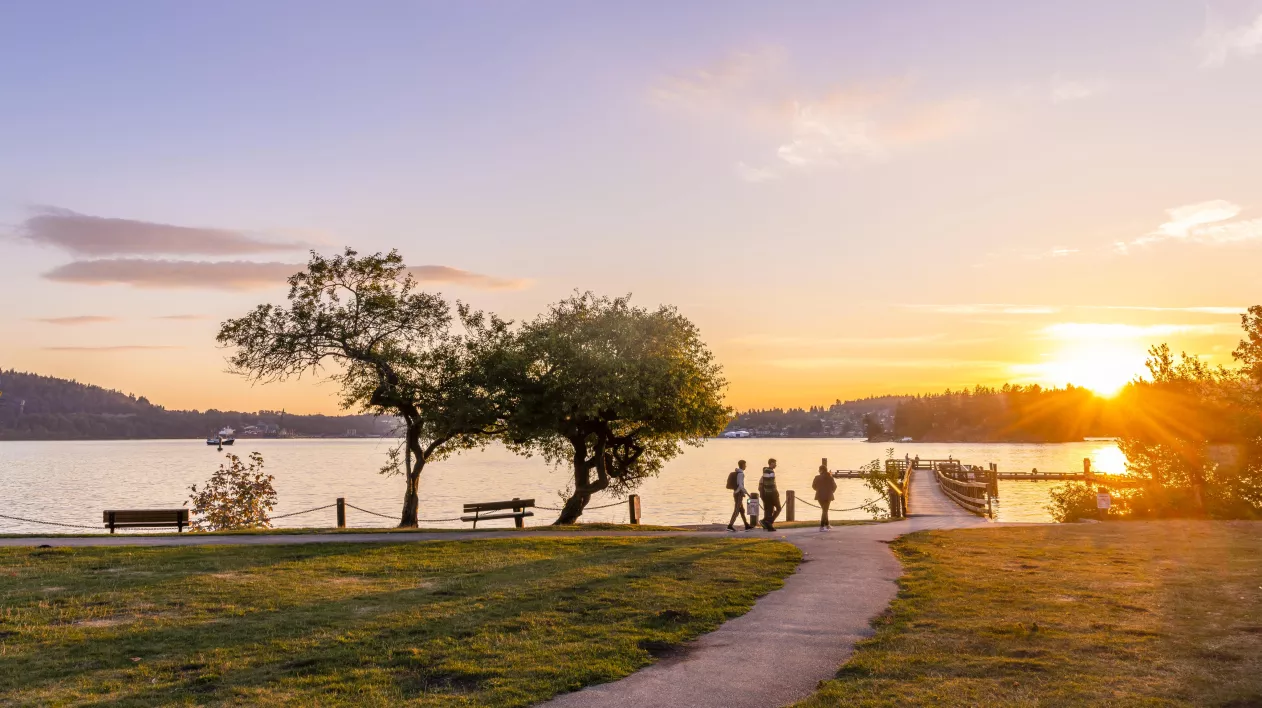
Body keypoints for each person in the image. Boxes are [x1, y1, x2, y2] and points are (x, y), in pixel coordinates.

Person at [812, 458, 838, 531]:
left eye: (819, 469)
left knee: (824, 510)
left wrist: (818, 490)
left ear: (821, 470)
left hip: (819, 496)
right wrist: (830, 491)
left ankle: (827, 525)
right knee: (825, 510)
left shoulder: (817, 477)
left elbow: (813, 486)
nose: (818, 471)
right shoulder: (830, 477)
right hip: (828, 496)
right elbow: (834, 486)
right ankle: (822, 526)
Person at [726, 460, 751, 531]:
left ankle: (746, 525)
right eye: (745, 465)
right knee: (737, 510)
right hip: (738, 494)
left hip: (736, 493)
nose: (746, 466)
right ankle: (730, 525)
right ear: (742, 465)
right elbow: (740, 486)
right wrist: (747, 494)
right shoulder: (741, 474)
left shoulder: (737, 472)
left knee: (741, 510)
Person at [759, 458, 782, 531]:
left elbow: (766, 484)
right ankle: (769, 522)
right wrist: (776, 492)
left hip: (767, 493)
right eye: (774, 463)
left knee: (769, 510)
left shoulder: (765, 472)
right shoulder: (770, 472)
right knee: (778, 508)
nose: (776, 465)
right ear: (771, 463)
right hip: (772, 493)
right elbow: (771, 484)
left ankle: (767, 523)